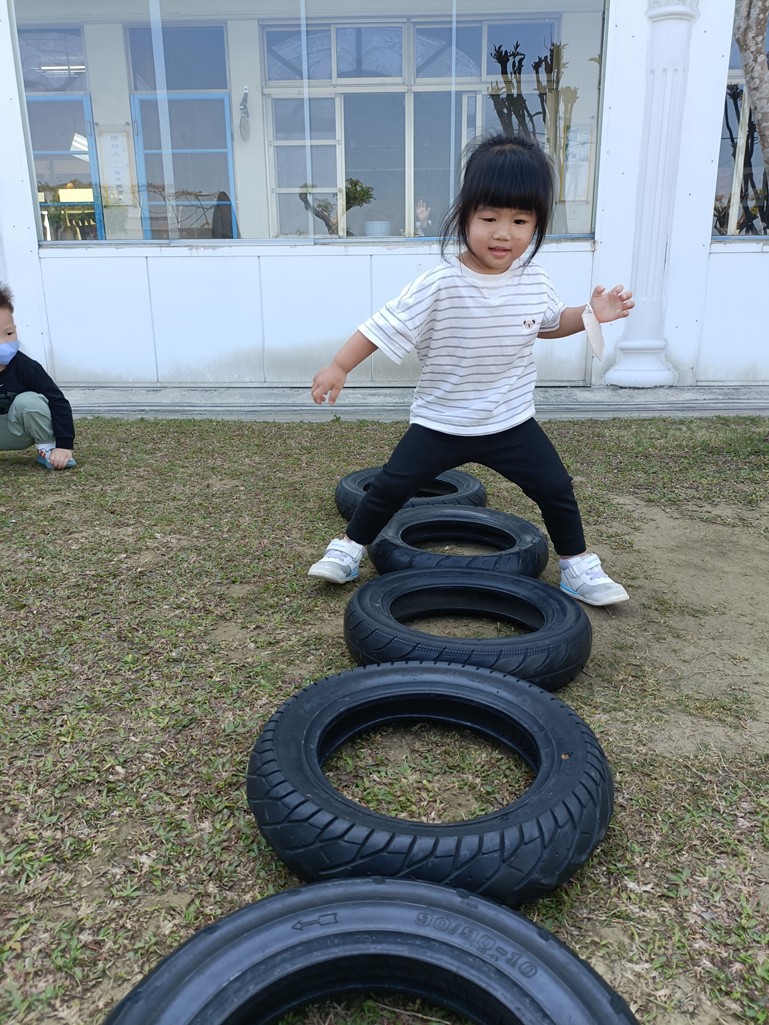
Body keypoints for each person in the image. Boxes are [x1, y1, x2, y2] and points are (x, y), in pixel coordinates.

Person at [308, 133, 634, 606]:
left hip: (510, 420)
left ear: (537, 223)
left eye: (520, 221)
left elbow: (546, 324)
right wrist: (339, 366)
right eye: (489, 218)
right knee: (391, 486)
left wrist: (589, 314)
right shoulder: (440, 282)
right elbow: (381, 326)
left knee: (555, 488)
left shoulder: (535, 279)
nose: (503, 234)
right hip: (441, 421)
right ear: (464, 215)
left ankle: (576, 566)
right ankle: (348, 548)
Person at [0, 282, 76, 469]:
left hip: (17, 431)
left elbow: (58, 401)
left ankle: (47, 448)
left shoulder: (26, 367)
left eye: (9, 333)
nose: (4, 342)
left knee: (29, 401)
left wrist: (64, 445)